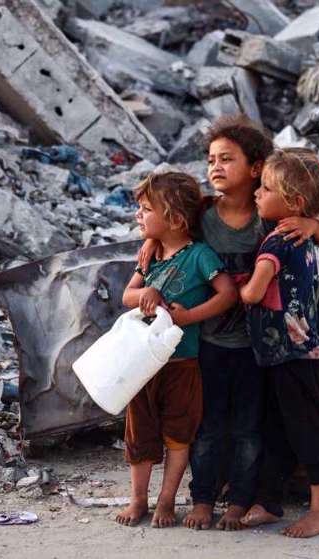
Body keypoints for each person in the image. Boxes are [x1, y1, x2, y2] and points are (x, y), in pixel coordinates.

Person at [141, 115, 319, 531]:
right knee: (208, 423)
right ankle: (209, 496)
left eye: (226, 158)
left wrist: (313, 224)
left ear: (255, 169)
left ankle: (248, 499)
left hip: (259, 347)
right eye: (210, 159)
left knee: (255, 425)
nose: (215, 167)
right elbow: (169, 227)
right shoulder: (202, 215)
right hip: (209, 340)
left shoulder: (273, 216)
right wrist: (151, 241)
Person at [116, 172, 237, 528]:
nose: (139, 215)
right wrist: (146, 294)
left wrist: (189, 318)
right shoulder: (150, 255)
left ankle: (166, 500)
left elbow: (228, 294)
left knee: (178, 435)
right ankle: (138, 499)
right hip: (143, 364)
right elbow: (127, 296)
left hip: (183, 362)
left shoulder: (199, 256)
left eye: (146, 209)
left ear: (175, 219)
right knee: (139, 434)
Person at [238, 148, 319, 538]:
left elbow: (253, 293)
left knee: (308, 429)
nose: (257, 194)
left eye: (265, 189)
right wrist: (313, 224)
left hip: (291, 353)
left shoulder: (277, 244)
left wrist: (237, 286)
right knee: (279, 428)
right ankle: (270, 502)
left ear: (293, 203)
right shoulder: (302, 237)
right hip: (287, 353)